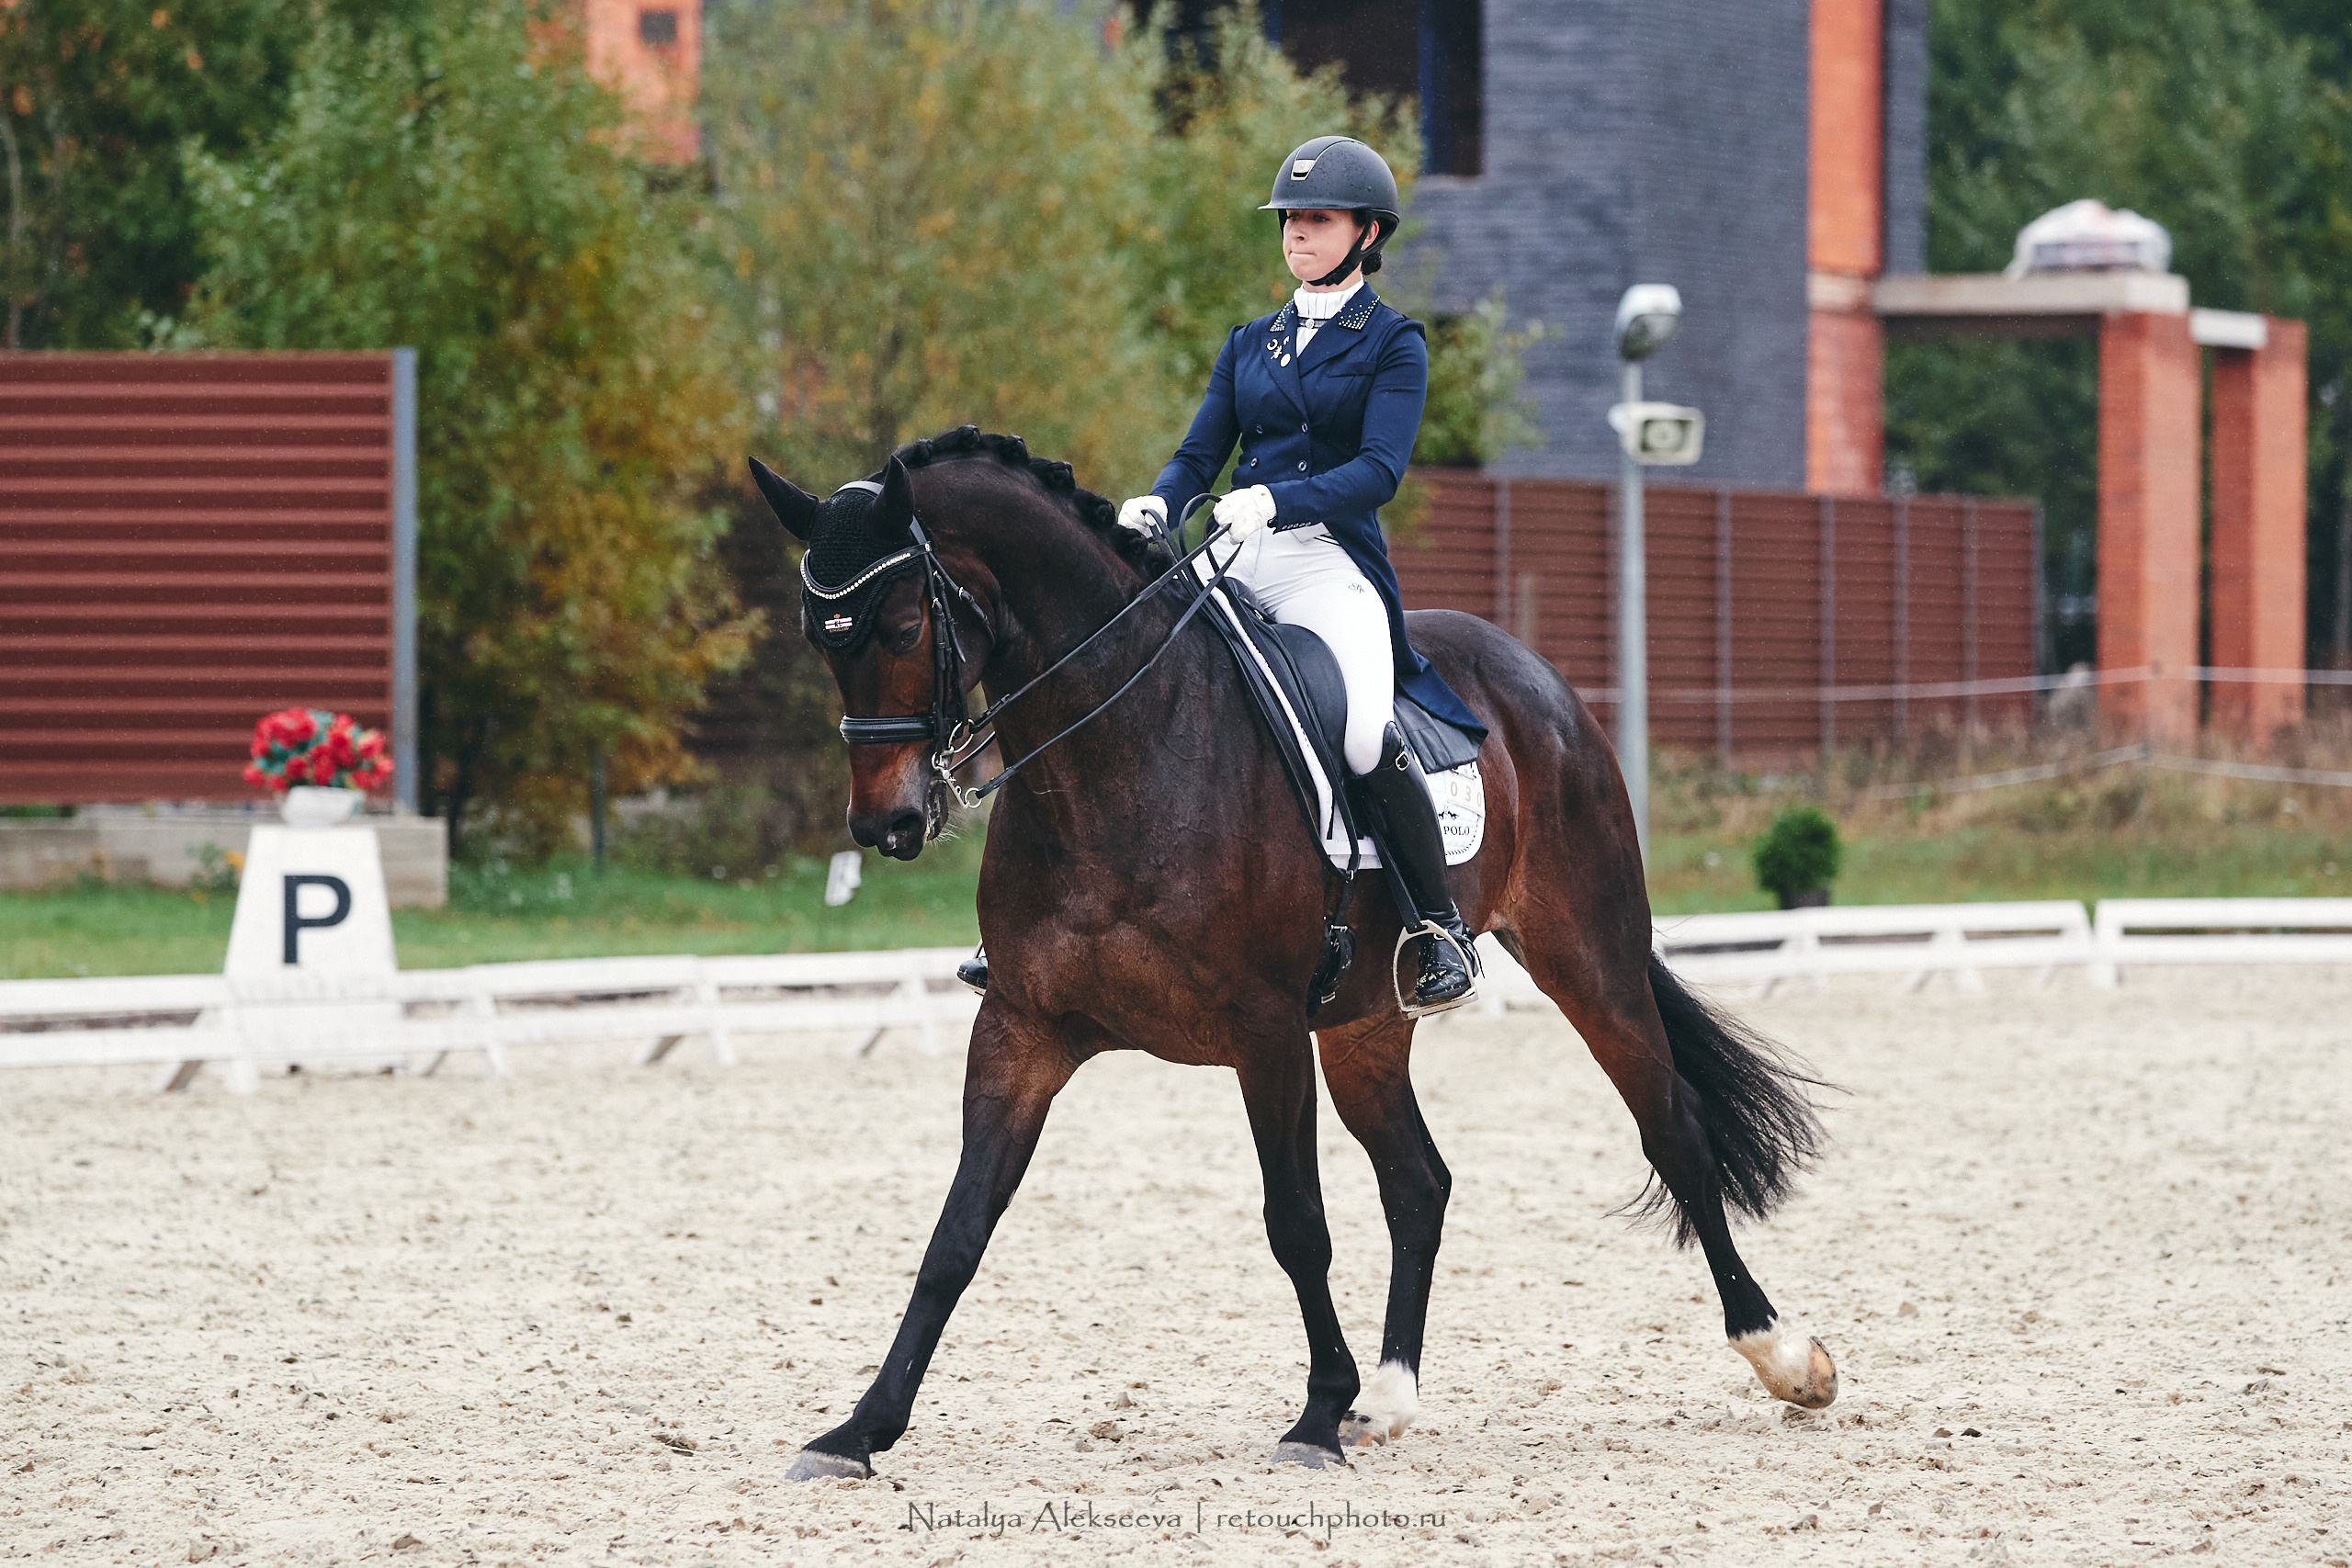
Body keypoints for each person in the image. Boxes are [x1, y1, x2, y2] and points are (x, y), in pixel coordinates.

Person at [961, 134, 1486, 1014]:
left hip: (1327, 562)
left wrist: (1277, 501)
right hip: (1235, 551)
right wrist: (1159, 504)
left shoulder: (1394, 343)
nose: (1297, 234)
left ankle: (1439, 930)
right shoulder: (1252, 343)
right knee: (1112, 672)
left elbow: (1380, 470)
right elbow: (1203, 448)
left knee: (1361, 732)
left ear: (1366, 233)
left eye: (1317, 221)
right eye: (1290, 220)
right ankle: (1029, 911)